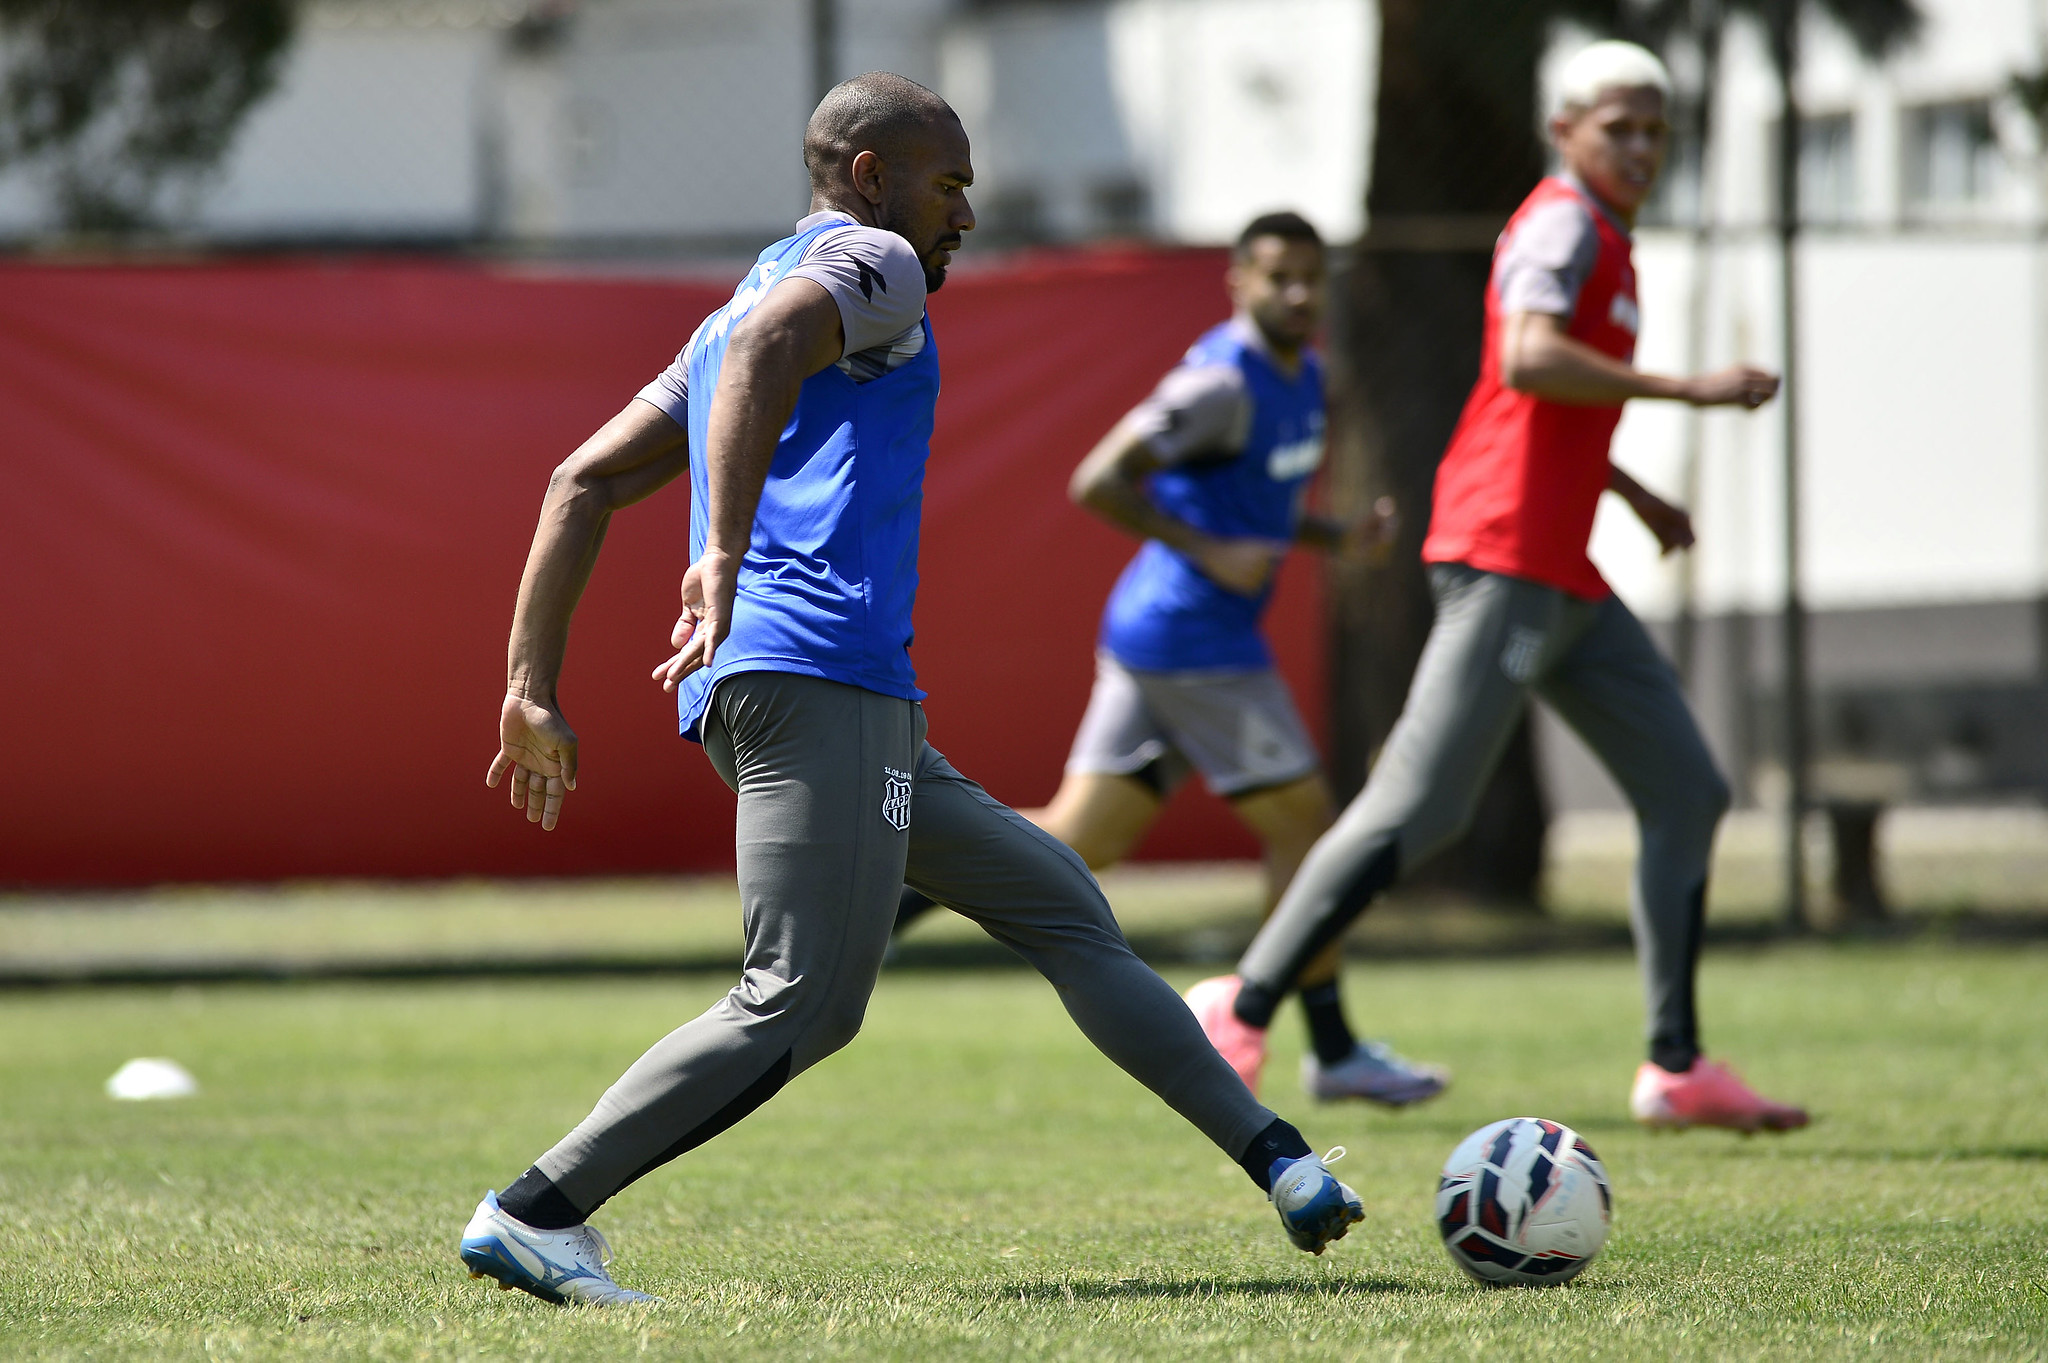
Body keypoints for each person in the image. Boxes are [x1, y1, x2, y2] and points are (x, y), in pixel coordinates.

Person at [458, 73, 1362, 1307]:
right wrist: (716, 556)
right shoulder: (864, 262)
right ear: (872, 177)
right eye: (951, 185)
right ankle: (534, 1211)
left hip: (824, 691)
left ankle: (1284, 1164)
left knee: (1058, 901)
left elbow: (580, 480)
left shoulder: (732, 309)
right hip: (813, 674)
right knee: (801, 1004)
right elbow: (772, 350)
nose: (965, 218)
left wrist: (530, 684)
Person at [1184, 40, 1811, 1136]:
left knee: (1685, 791)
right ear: (1563, 129)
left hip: (1562, 566)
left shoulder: (1601, 233)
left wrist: (1628, 494)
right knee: (1421, 807)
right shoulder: (1561, 222)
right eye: (1617, 125)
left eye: (1655, 129)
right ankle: (1237, 1012)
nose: (1640, 147)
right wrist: (1686, 391)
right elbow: (1524, 358)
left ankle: (1673, 1066)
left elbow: (1542, 404)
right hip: (1501, 555)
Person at [894, 211, 1445, 1106]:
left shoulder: (1305, 376)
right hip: (1197, 642)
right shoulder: (1219, 381)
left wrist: (1333, 535)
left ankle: (890, 881)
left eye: (1312, 275)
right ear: (1239, 282)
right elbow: (1099, 479)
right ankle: (1327, 1044)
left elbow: (1252, 503)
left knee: (1083, 841)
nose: (1299, 293)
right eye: (1278, 276)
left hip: (1166, 641)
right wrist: (1209, 553)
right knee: (1309, 831)